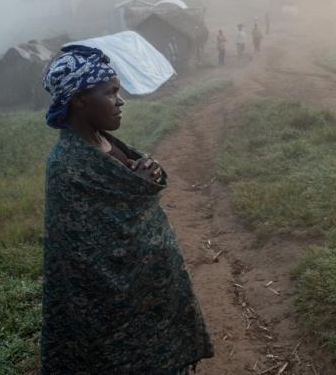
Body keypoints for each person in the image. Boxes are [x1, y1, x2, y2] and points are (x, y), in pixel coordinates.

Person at [41, 45, 213, 373]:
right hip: (112, 316)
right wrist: (137, 188)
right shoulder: (67, 165)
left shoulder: (101, 141)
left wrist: (145, 177)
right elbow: (88, 254)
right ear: (79, 100)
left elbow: (125, 194)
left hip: (151, 302)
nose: (120, 102)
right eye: (111, 93)